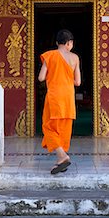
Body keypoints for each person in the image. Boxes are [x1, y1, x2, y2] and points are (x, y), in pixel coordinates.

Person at [38, 29, 81, 174]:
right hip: (68, 98)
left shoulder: (50, 56)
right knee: (63, 129)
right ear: (69, 43)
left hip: (55, 97)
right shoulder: (75, 58)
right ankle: (60, 160)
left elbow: (41, 78)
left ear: (57, 43)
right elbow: (78, 82)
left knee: (48, 127)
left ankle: (62, 156)